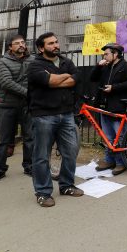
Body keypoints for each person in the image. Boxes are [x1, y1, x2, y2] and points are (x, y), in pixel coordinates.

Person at [27, 32, 83, 207]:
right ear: (41, 48)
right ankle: (43, 192)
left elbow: (75, 79)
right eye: (50, 43)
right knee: (42, 155)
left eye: (56, 42)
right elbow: (50, 81)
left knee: (71, 151)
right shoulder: (35, 65)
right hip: (43, 115)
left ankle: (66, 185)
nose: (55, 45)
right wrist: (63, 78)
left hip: (66, 114)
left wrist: (59, 79)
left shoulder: (66, 62)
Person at [0, 35, 34, 184]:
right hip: (8, 105)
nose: (21, 45)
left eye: (23, 42)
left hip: (27, 106)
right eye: (17, 43)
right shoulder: (3, 61)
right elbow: (6, 82)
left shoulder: (32, 60)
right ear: (10, 47)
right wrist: (28, 93)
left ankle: (29, 166)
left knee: (30, 137)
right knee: (4, 139)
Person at [90, 43, 127, 175]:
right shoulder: (105, 67)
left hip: (118, 106)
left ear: (116, 54)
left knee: (119, 137)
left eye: (106, 53)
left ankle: (121, 163)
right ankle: (109, 160)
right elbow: (92, 78)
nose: (104, 56)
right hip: (104, 105)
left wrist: (114, 88)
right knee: (108, 137)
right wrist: (98, 66)